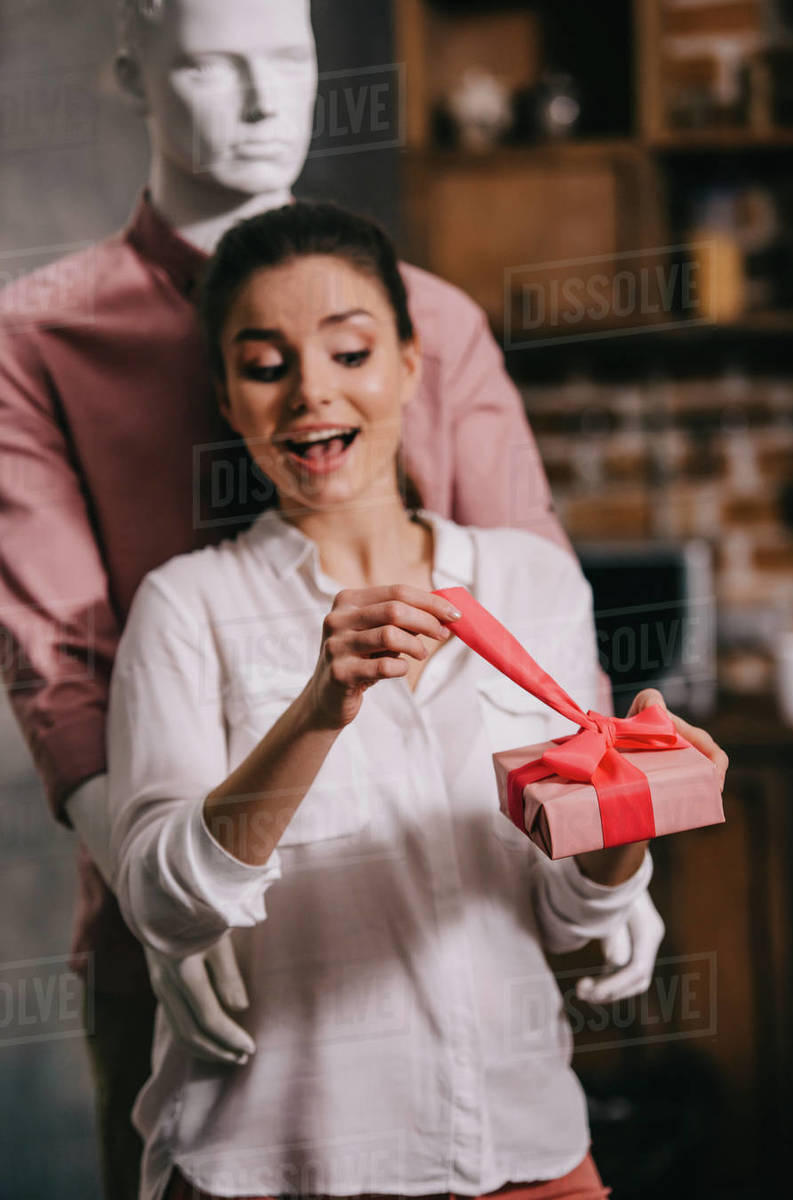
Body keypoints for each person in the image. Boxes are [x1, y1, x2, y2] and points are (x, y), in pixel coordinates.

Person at [0, 3, 696, 1197]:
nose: (266, 104)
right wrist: (170, 903)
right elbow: (60, 664)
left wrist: (612, 844)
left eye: (289, 61)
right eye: (215, 67)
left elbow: (526, 610)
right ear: (133, 70)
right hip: (195, 937)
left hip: (472, 975)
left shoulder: (440, 317)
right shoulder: (35, 335)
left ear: (402, 360)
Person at [105, 200, 727, 1200]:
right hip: (275, 1162)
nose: (312, 392)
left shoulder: (533, 584)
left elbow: (569, 913)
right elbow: (165, 905)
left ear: (408, 362)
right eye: (266, 366)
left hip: (523, 1147)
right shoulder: (188, 608)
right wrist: (320, 705)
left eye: (349, 353)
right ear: (228, 399)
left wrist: (633, 811)